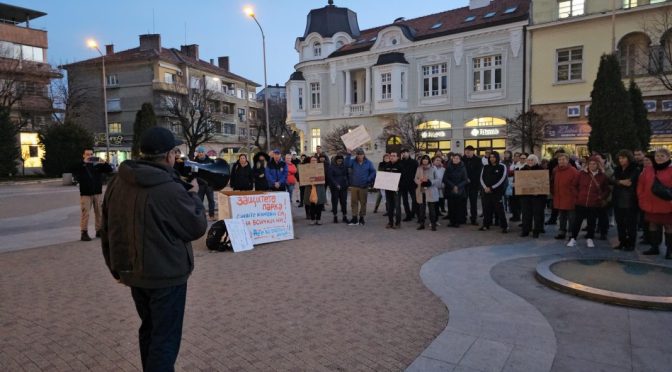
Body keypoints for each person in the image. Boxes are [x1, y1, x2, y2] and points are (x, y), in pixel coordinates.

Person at [101, 127, 207, 371]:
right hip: (166, 275)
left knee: (149, 328)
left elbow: (106, 227)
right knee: (165, 339)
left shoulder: (118, 181)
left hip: (132, 271)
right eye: (175, 153)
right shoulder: (169, 188)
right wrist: (193, 196)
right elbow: (195, 227)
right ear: (169, 155)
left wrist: (114, 266)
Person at [567, 156, 610, 248]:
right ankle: (573, 238)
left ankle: (590, 238)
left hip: (594, 203)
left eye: (594, 164)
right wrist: (577, 196)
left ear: (598, 165)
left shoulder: (602, 176)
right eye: (590, 163)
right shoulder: (581, 174)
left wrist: (600, 197)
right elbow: (573, 186)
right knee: (577, 221)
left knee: (592, 222)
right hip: (581, 202)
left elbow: (606, 190)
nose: (592, 165)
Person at [637, 148, 672, 259]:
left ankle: (669, 250)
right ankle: (654, 247)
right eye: (657, 156)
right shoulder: (648, 170)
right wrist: (641, 198)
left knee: (669, 226)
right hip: (650, 204)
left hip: (667, 204)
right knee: (653, 225)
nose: (659, 158)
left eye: (662, 156)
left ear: (668, 157)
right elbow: (641, 185)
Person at [72, 147, 113, 241]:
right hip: (86, 194)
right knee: (85, 213)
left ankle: (99, 231)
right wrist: (84, 162)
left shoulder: (97, 166)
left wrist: (103, 162)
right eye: (87, 154)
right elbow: (73, 168)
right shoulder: (81, 166)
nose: (89, 156)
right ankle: (84, 232)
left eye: (91, 154)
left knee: (99, 212)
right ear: (83, 155)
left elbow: (109, 170)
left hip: (97, 193)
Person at [612, 150, 639, 251]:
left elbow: (629, 183)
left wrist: (617, 182)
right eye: (619, 158)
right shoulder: (617, 169)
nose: (621, 160)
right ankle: (622, 242)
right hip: (618, 199)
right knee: (620, 223)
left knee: (631, 224)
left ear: (629, 158)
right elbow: (611, 181)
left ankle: (631, 244)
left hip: (630, 200)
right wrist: (619, 182)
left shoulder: (635, 169)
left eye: (623, 158)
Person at [345, 148, 376, 226]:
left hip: (364, 186)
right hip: (354, 186)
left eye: (361, 154)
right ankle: (354, 218)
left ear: (363, 155)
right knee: (354, 203)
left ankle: (361, 218)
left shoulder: (368, 163)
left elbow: (373, 172)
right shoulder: (353, 162)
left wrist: (368, 179)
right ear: (356, 155)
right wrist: (348, 154)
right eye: (358, 155)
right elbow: (346, 165)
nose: (359, 156)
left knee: (363, 203)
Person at [479, 151, 509, 233]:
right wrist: (485, 187)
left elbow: (502, 179)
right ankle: (486, 225)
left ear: (497, 157)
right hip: (486, 191)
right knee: (486, 209)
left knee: (499, 209)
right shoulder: (485, 167)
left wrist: (492, 188)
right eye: (490, 157)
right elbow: (481, 178)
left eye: (494, 157)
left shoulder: (502, 166)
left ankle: (504, 226)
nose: (492, 158)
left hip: (497, 192)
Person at [518, 155, 547, 238]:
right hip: (525, 197)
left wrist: (538, 191)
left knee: (537, 214)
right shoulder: (523, 170)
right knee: (526, 214)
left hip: (538, 197)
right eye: (529, 160)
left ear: (536, 161)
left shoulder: (541, 170)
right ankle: (526, 230)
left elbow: (544, 183)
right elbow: (519, 182)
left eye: (532, 160)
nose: (530, 161)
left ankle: (537, 230)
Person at [551, 153, 578, 240]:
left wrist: (573, 193)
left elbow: (577, 184)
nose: (561, 161)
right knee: (562, 216)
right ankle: (562, 232)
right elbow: (552, 182)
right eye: (559, 160)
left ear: (567, 160)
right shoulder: (555, 170)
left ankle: (571, 234)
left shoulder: (573, 170)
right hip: (559, 197)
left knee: (571, 218)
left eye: (563, 159)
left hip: (570, 197)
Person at [414, 155, 441, 231]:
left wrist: (430, 182)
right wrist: (420, 182)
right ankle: (422, 224)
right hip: (421, 190)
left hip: (431, 190)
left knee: (431, 208)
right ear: (421, 160)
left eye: (426, 159)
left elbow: (438, 179)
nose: (425, 160)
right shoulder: (419, 168)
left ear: (429, 160)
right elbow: (415, 178)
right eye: (423, 159)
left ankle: (433, 224)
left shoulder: (433, 168)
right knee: (421, 208)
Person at [443, 153, 469, 228]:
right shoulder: (448, 167)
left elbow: (465, 180)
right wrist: (453, 186)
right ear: (452, 159)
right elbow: (445, 179)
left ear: (460, 160)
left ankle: (457, 222)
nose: (455, 159)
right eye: (454, 158)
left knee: (458, 207)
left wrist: (457, 186)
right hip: (450, 189)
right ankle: (452, 221)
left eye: (457, 158)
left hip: (459, 190)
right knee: (451, 206)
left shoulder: (463, 167)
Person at [380, 151, 403, 229]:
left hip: (397, 190)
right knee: (390, 207)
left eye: (394, 155)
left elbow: (404, 178)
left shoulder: (401, 165)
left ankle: (398, 223)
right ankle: (390, 222)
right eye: (391, 156)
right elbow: (383, 176)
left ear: (397, 157)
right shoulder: (387, 165)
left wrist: (399, 186)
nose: (392, 157)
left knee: (397, 206)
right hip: (388, 189)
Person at [193, 146, 216, 220]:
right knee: (199, 201)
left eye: (202, 152)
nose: (201, 153)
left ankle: (211, 216)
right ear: (197, 153)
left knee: (211, 201)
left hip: (209, 184)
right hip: (201, 185)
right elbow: (194, 174)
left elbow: (214, 172)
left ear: (204, 152)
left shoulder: (210, 161)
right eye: (199, 152)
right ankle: (200, 216)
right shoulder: (195, 162)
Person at [303, 156, 327, 225]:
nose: (313, 162)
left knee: (319, 205)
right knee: (312, 205)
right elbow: (303, 177)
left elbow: (324, 177)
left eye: (315, 160)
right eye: (312, 160)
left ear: (317, 161)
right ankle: (312, 219)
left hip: (319, 188)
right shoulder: (306, 168)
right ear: (310, 162)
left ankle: (318, 219)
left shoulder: (320, 168)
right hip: (310, 188)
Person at [327, 155, 349, 223]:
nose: (339, 162)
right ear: (336, 161)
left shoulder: (344, 166)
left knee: (343, 202)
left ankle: (344, 216)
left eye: (341, 161)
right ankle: (335, 216)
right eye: (338, 161)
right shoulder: (331, 167)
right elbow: (330, 177)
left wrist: (347, 183)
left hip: (343, 186)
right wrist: (336, 184)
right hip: (335, 187)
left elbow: (347, 175)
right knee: (335, 202)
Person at [399, 149, 419, 221]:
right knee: (405, 201)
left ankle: (413, 213)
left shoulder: (414, 162)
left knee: (414, 200)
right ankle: (408, 215)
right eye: (402, 153)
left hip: (412, 184)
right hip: (403, 185)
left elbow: (417, 173)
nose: (404, 154)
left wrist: (416, 182)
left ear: (408, 153)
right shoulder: (400, 162)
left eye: (405, 152)